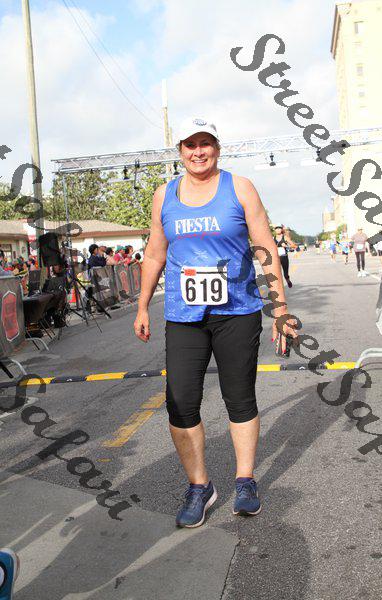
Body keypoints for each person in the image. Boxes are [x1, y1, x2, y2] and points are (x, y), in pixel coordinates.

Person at [134, 117, 298, 528]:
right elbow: (154, 253)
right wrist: (142, 306)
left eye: (205, 143)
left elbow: (265, 247)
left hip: (237, 311)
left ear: (217, 148)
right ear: (180, 151)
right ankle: (200, 486)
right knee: (180, 401)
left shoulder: (239, 188)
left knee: (239, 397)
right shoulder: (164, 195)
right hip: (184, 316)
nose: (198, 151)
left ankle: (245, 481)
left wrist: (280, 310)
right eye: (190, 144)